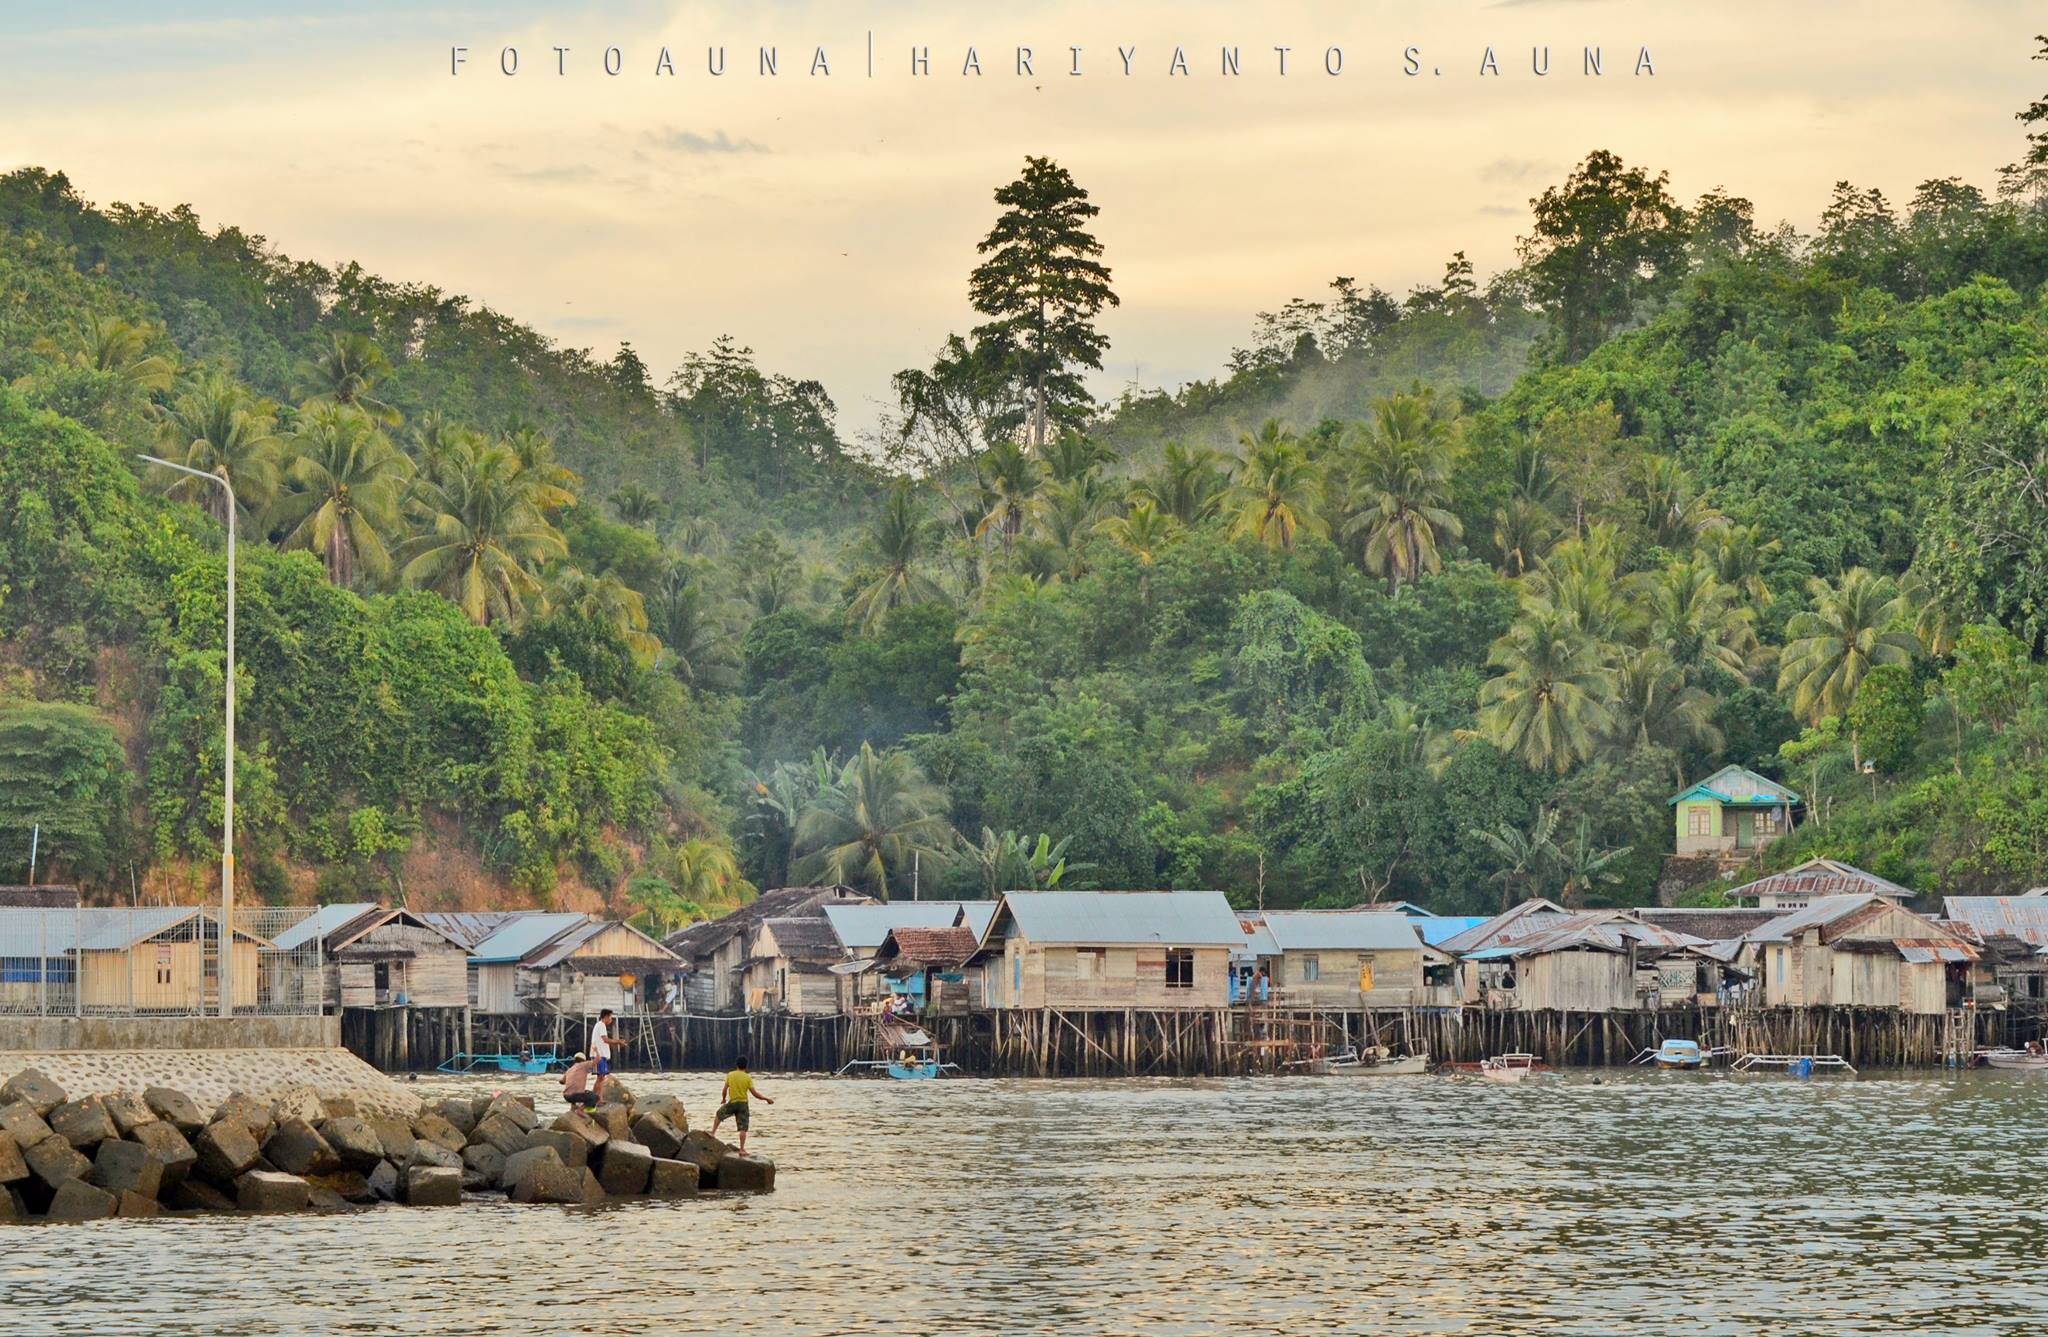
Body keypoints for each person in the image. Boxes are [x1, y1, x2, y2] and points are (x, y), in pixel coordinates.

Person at [711, 1056, 773, 1154]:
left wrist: (723, 1099)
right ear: (746, 1066)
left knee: (719, 1114)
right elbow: (754, 1093)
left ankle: (713, 1133)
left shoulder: (730, 1075)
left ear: (736, 1065)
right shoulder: (747, 1077)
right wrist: (766, 1099)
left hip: (733, 1102)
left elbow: (724, 1089)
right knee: (743, 1128)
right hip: (743, 1104)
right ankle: (742, 1149)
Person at [590, 1008, 615, 1101]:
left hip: (599, 1055)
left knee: (600, 1077)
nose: (611, 1020)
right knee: (601, 1077)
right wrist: (618, 1042)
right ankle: (599, 1098)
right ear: (606, 1017)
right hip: (598, 1056)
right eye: (610, 1017)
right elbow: (605, 1039)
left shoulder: (599, 1025)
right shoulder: (601, 1025)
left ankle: (594, 1096)